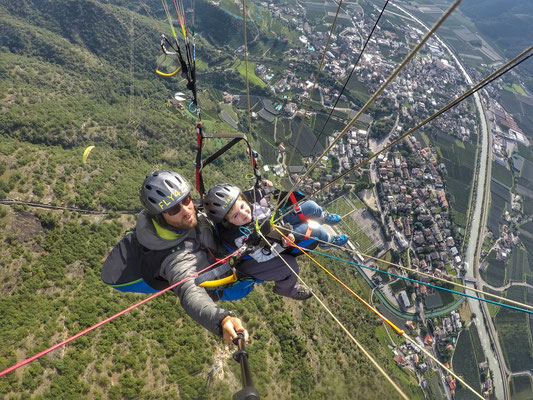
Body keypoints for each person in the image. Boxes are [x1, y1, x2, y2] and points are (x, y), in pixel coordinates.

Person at [137, 170, 247, 344]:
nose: (186, 209)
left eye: (186, 199)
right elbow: (190, 293)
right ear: (160, 217)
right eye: (173, 209)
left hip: (222, 252)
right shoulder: (174, 259)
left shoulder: (188, 217)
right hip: (228, 285)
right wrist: (221, 320)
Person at [202, 183, 347, 300]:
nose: (244, 213)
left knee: (311, 206)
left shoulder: (248, 204)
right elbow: (261, 256)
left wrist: (266, 189)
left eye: (242, 207)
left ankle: (321, 216)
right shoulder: (240, 237)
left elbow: (261, 202)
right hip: (269, 245)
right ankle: (289, 288)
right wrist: (282, 243)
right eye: (235, 216)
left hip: (276, 222)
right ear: (228, 223)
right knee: (309, 236)